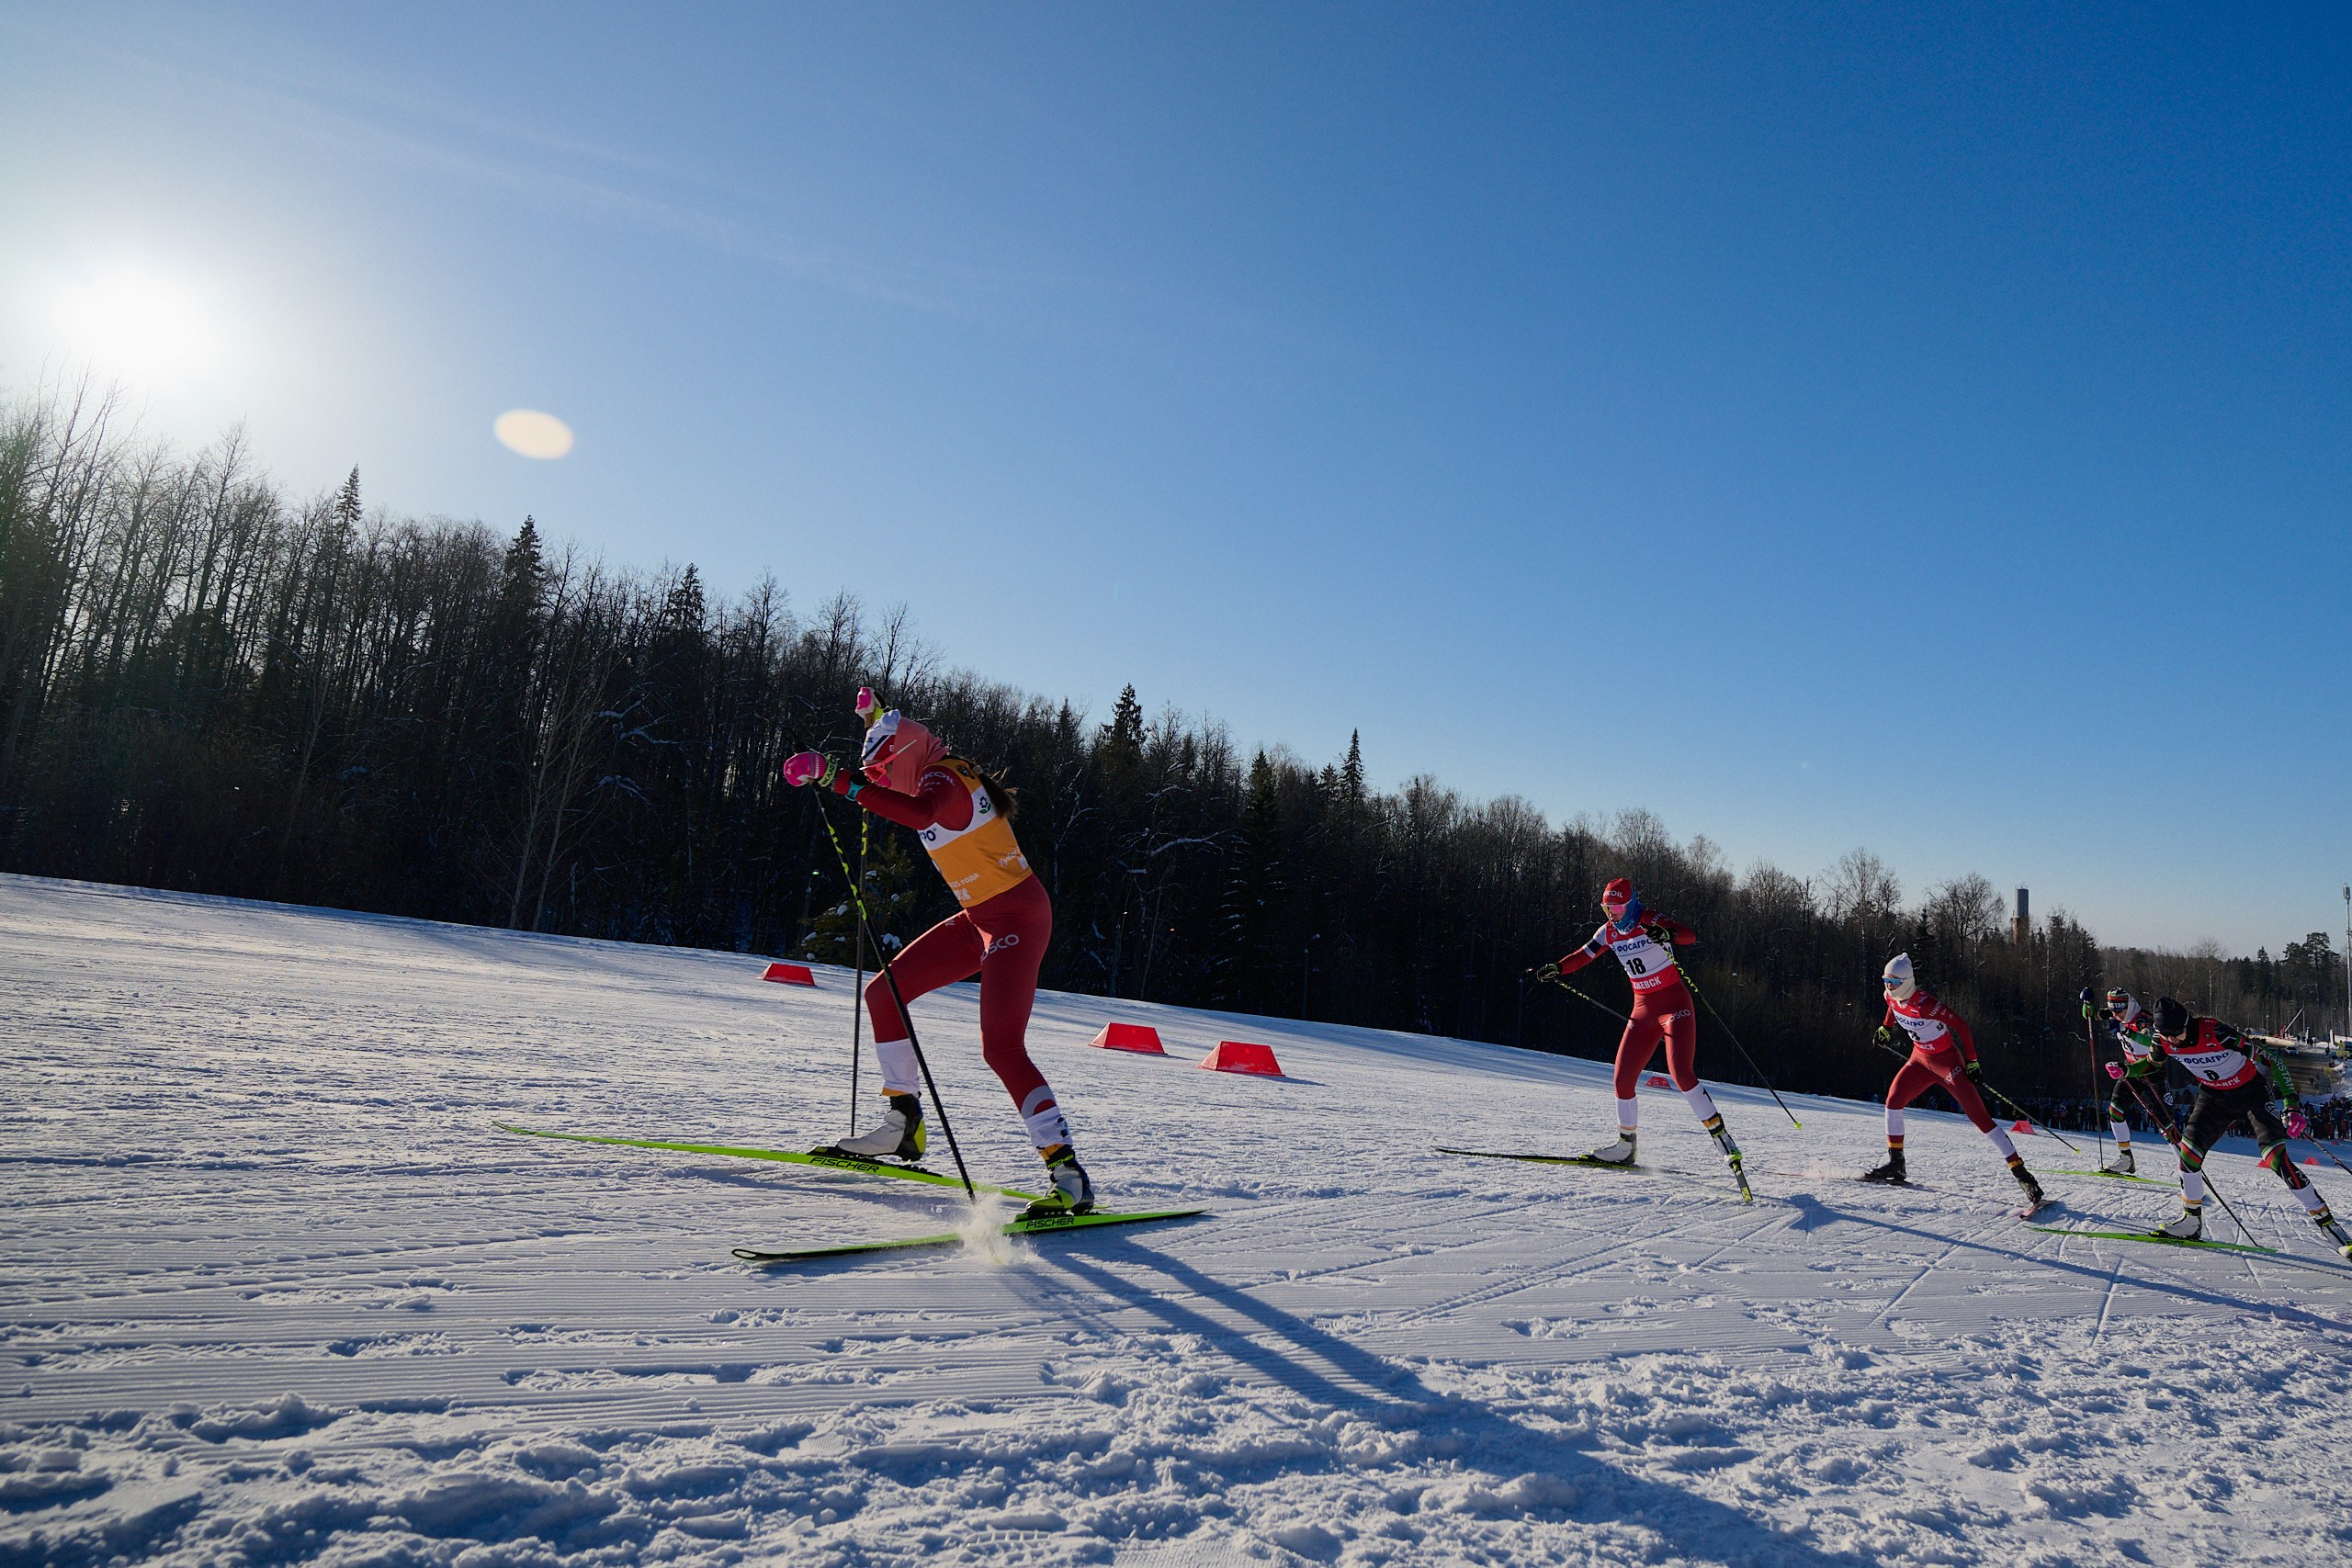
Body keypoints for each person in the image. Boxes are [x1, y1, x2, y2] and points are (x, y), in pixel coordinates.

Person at [781, 688, 1091, 1216]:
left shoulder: (943, 778)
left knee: (1002, 1048)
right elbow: (898, 743)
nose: (877, 780)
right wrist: (873, 719)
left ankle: (1068, 1174)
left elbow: (919, 809)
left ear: (902, 756)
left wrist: (838, 780)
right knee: (884, 994)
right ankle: (904, 1126)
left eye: (881, 770)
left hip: (1017, 918)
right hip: (979, 917)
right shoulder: (922, 757)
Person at [1535, 878, 1743, 1179]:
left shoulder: (1648, 919)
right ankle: (1625, 1147)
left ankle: (1723, 1139)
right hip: (1643, 1008)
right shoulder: (1607, 932)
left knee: (1681, 1073)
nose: (1612, 913)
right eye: (1607, 907)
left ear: (1630, 904)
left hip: (1674, 1004)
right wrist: (1559, 966)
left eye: (1617, 907)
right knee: (1622, 1078)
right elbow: (1584, 955)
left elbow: (1689, 936)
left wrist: (1666, 932)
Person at [2122, 997, 2350, 1250]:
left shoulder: (2215, 1031)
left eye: (2177, 1033)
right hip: (2214, 1097)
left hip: (2250, 1092)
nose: (2173, 1039)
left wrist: (2292, 1105)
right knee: (2188, 1155)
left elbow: (2273, 1062)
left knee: (2276, 1157)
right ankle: (2190, 1221)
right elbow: (2151, 1064)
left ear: (2187, 1022)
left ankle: (2329, 1225)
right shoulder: (2161, 1039)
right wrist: (2126, 1070)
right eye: (2167, 1035)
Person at [1865, 954, 2045, 1210]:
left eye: (1893, 982)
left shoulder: (1926, 1004)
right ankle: (1896, 1163)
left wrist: (1972, 1062)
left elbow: (1962, 1026)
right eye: (1885, 981)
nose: (1888, 987)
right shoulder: (1889, 997)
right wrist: (1886, 1028)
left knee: (1979, 1118)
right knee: (1893, 1101)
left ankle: (2023, 1176)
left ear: (1906, 982)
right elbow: (1892, 1009)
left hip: (1946, 1062)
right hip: (1919, 1060)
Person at [2081, 987, 2161, 1175]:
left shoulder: (2142, 1018)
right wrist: (2087, 1004)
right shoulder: (2115, 1014)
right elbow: (2091, 1016)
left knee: (2165, 1123)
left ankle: (2188, 1171)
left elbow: (2153, 1042)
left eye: (2119, 1010)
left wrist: (2128, 1032)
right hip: (2130, 1070)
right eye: (2112, 1010)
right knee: (2115, 1110)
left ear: (2128, 1005)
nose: (2115, 1014)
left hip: (2151, 1070)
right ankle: (2126, 1158)